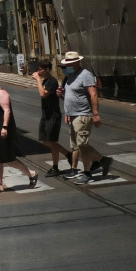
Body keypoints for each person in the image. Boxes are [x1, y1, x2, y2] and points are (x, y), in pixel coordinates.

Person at [0, 74, 38, 192]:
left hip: (2, 132)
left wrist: (4, 127)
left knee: (9, 159)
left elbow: (7, 110)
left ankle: (31, 173)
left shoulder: (1, 93)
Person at [61, 51, 111, 185]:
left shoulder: (86, 75)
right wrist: (67, 111)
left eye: (71, 62)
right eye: (68, 63)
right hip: (73, 115)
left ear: (77, 61)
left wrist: (95, 114)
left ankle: (88, 172)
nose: (69, 65)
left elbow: (93, 94)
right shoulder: (70, 76)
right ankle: (103, 161)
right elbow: (70, 96)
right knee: (77, 145)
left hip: (83, 114)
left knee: (82, 145)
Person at [32, 59, 73, 177]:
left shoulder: (52, 81)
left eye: (40, 69)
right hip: (46, 115)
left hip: (53, 115)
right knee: (46, 140)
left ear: (47, 70)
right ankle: (67, 155)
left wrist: (38, 80)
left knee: (51, 141)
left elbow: (43, 94)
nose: (38, 71)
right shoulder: (45, 80)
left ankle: (56, 165)